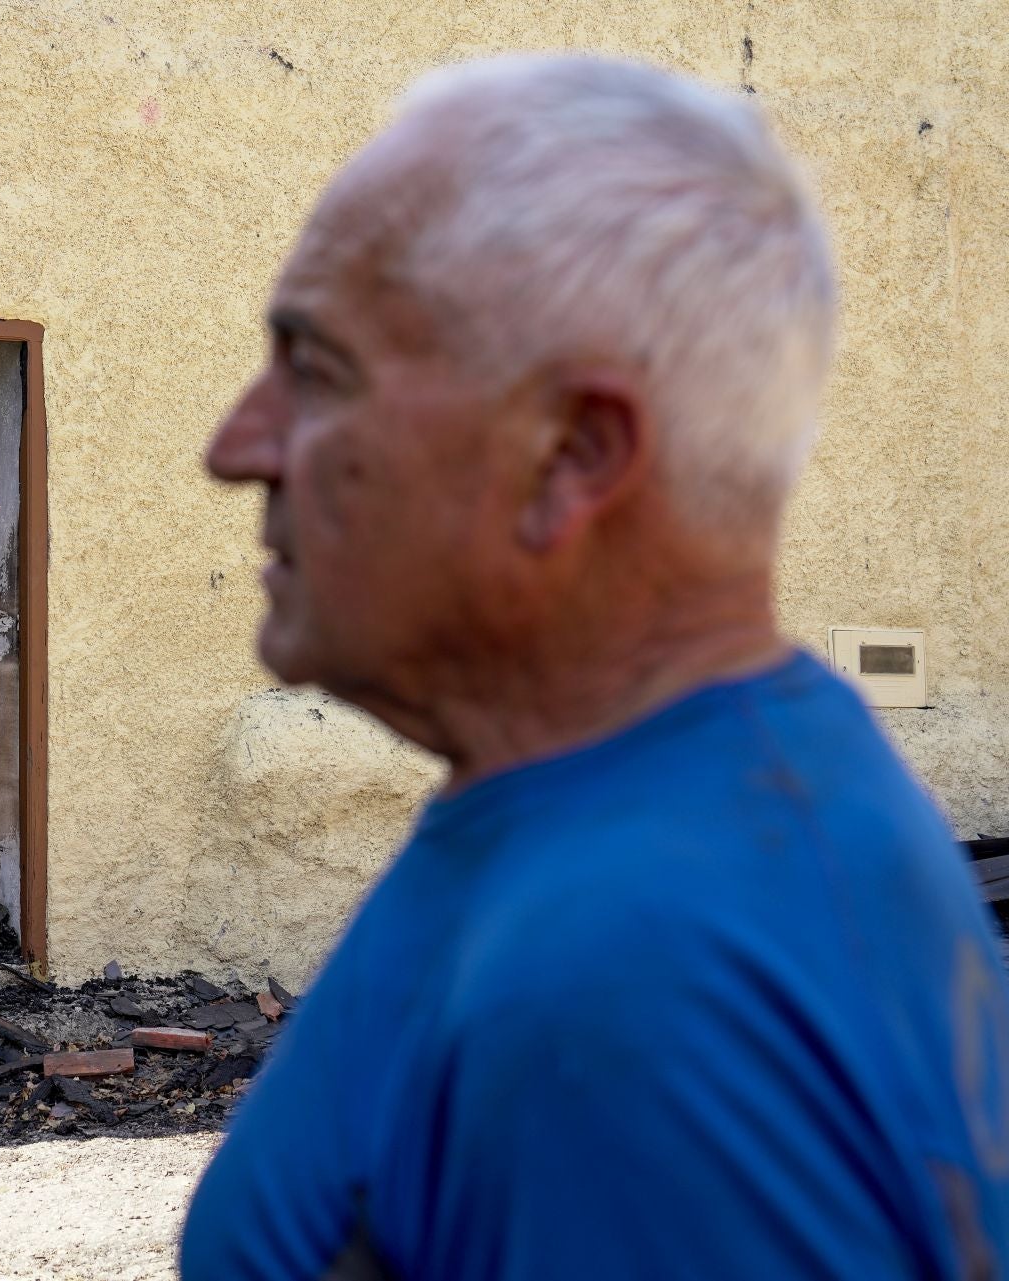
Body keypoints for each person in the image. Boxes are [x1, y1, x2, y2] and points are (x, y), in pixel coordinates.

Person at [181, 54, 1009, 1280]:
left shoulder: (639, 988)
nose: (235, 447)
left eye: (316, 370)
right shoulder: (684, 807)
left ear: (572, 456)